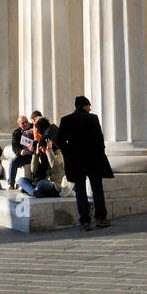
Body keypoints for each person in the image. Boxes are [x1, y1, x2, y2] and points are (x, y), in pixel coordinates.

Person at [57, 96, 113, 230]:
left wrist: (68, 153)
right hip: (93, 159)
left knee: (80, 191)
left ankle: (85, 221)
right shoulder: (93, 118)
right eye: (89, 105)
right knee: (97, 189)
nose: (90, 108)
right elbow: (100, 139)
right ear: (85, 106)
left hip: (75, 161)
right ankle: (101, 218)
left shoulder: (66, 120)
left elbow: (59, 140)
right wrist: (100, 154)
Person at [8, 115, 35, 189]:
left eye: (26, 122)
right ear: (19, 125)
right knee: (13, 162)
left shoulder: (34, 128)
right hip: (24, 156)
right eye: (23, 123)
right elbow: (14, 146)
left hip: (34, 154)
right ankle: (11, 183)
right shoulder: (16, 132)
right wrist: (20, 151)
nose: (25, 124)